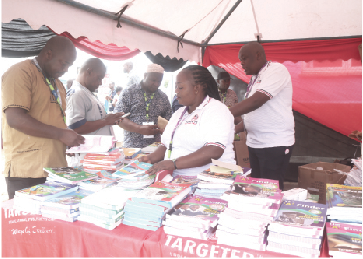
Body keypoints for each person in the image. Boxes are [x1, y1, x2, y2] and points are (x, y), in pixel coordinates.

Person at [1, 36, 85, 199]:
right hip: (27, 170)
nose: (66, 69)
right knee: (29, 223)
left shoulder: (57, 83)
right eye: (64, 63)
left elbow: (52, 119)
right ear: (48, 54)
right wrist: (61, 134)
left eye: (70, 65)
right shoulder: (21, 72)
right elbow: (15, 118)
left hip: (56, 168)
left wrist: (69, 138)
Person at [139, 65, 236, 177]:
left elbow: (214, 150)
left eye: (180, 87)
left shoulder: (216, 110)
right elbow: (167, 145)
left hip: (208, 181)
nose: (176, 91)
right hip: (177, 178)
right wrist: (149, 158)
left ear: (197, 88)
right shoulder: (179, 113)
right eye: (176, 87)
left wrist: (174, 164)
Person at [229, 42, 295, 191]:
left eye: (244, 58)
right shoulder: (255, 78)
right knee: (257, 188)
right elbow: (253, 113)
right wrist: (235, 129)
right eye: (241, 60)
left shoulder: (277, 70)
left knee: (270, 191)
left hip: (274, 143)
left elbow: (257, 101)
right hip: (256, 143)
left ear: (258, 55)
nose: (242, 64)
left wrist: (224, 113)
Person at [114, 64, 172, 148]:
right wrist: (138, 128)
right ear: (145, 75)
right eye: (153, 80)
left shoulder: (162, 97)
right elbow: (118, 118)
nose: (156, 84)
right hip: (132, 148)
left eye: (159, 81)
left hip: (155, 148)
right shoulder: (129, 92)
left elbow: (170, 120)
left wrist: (165, 129)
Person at [66, 58, 124, 135]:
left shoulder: (87, 93)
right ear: (89, 72)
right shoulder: (77, 94)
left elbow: (94, 119)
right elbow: (75, 128)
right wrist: (105, 121)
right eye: (99, 78)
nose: (100, 83)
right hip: (89, 147)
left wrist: (109, 118)